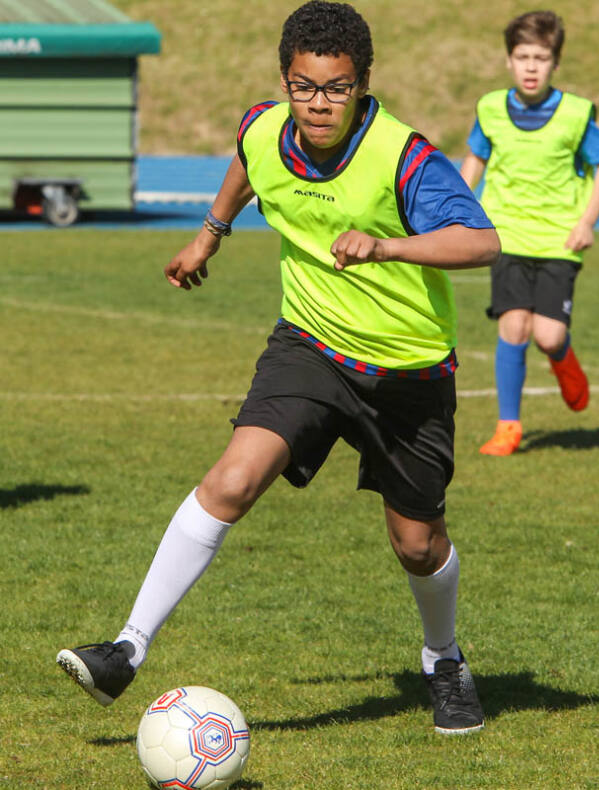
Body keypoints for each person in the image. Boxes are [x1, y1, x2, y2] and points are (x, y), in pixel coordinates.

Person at [56, 0, 499, 735]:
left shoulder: (403, 156)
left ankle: (444, 659)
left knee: (418, 544)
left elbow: (481, 241)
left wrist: (386, 246)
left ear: (362, 84)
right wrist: (210, 234)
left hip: (406, 371)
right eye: (304, 86)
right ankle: (126, 648)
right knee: (232, 480)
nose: (318, 103)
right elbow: (248, 160)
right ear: (285, 80)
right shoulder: (265, 127)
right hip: (310, 346)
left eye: (336, 88)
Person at [460, 10, 599, 456]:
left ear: (556, 63)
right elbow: (475, 159)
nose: (531, 67)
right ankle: (508, 426)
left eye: (541, 58)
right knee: (514, 326)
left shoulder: (575, 115)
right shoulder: (490, 109)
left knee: (548, 335)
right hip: (506, 235)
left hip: (558, 241)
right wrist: (458, 207)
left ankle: (564, 359)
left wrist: (587, 221)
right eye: (523, 56)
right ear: (509, 60)